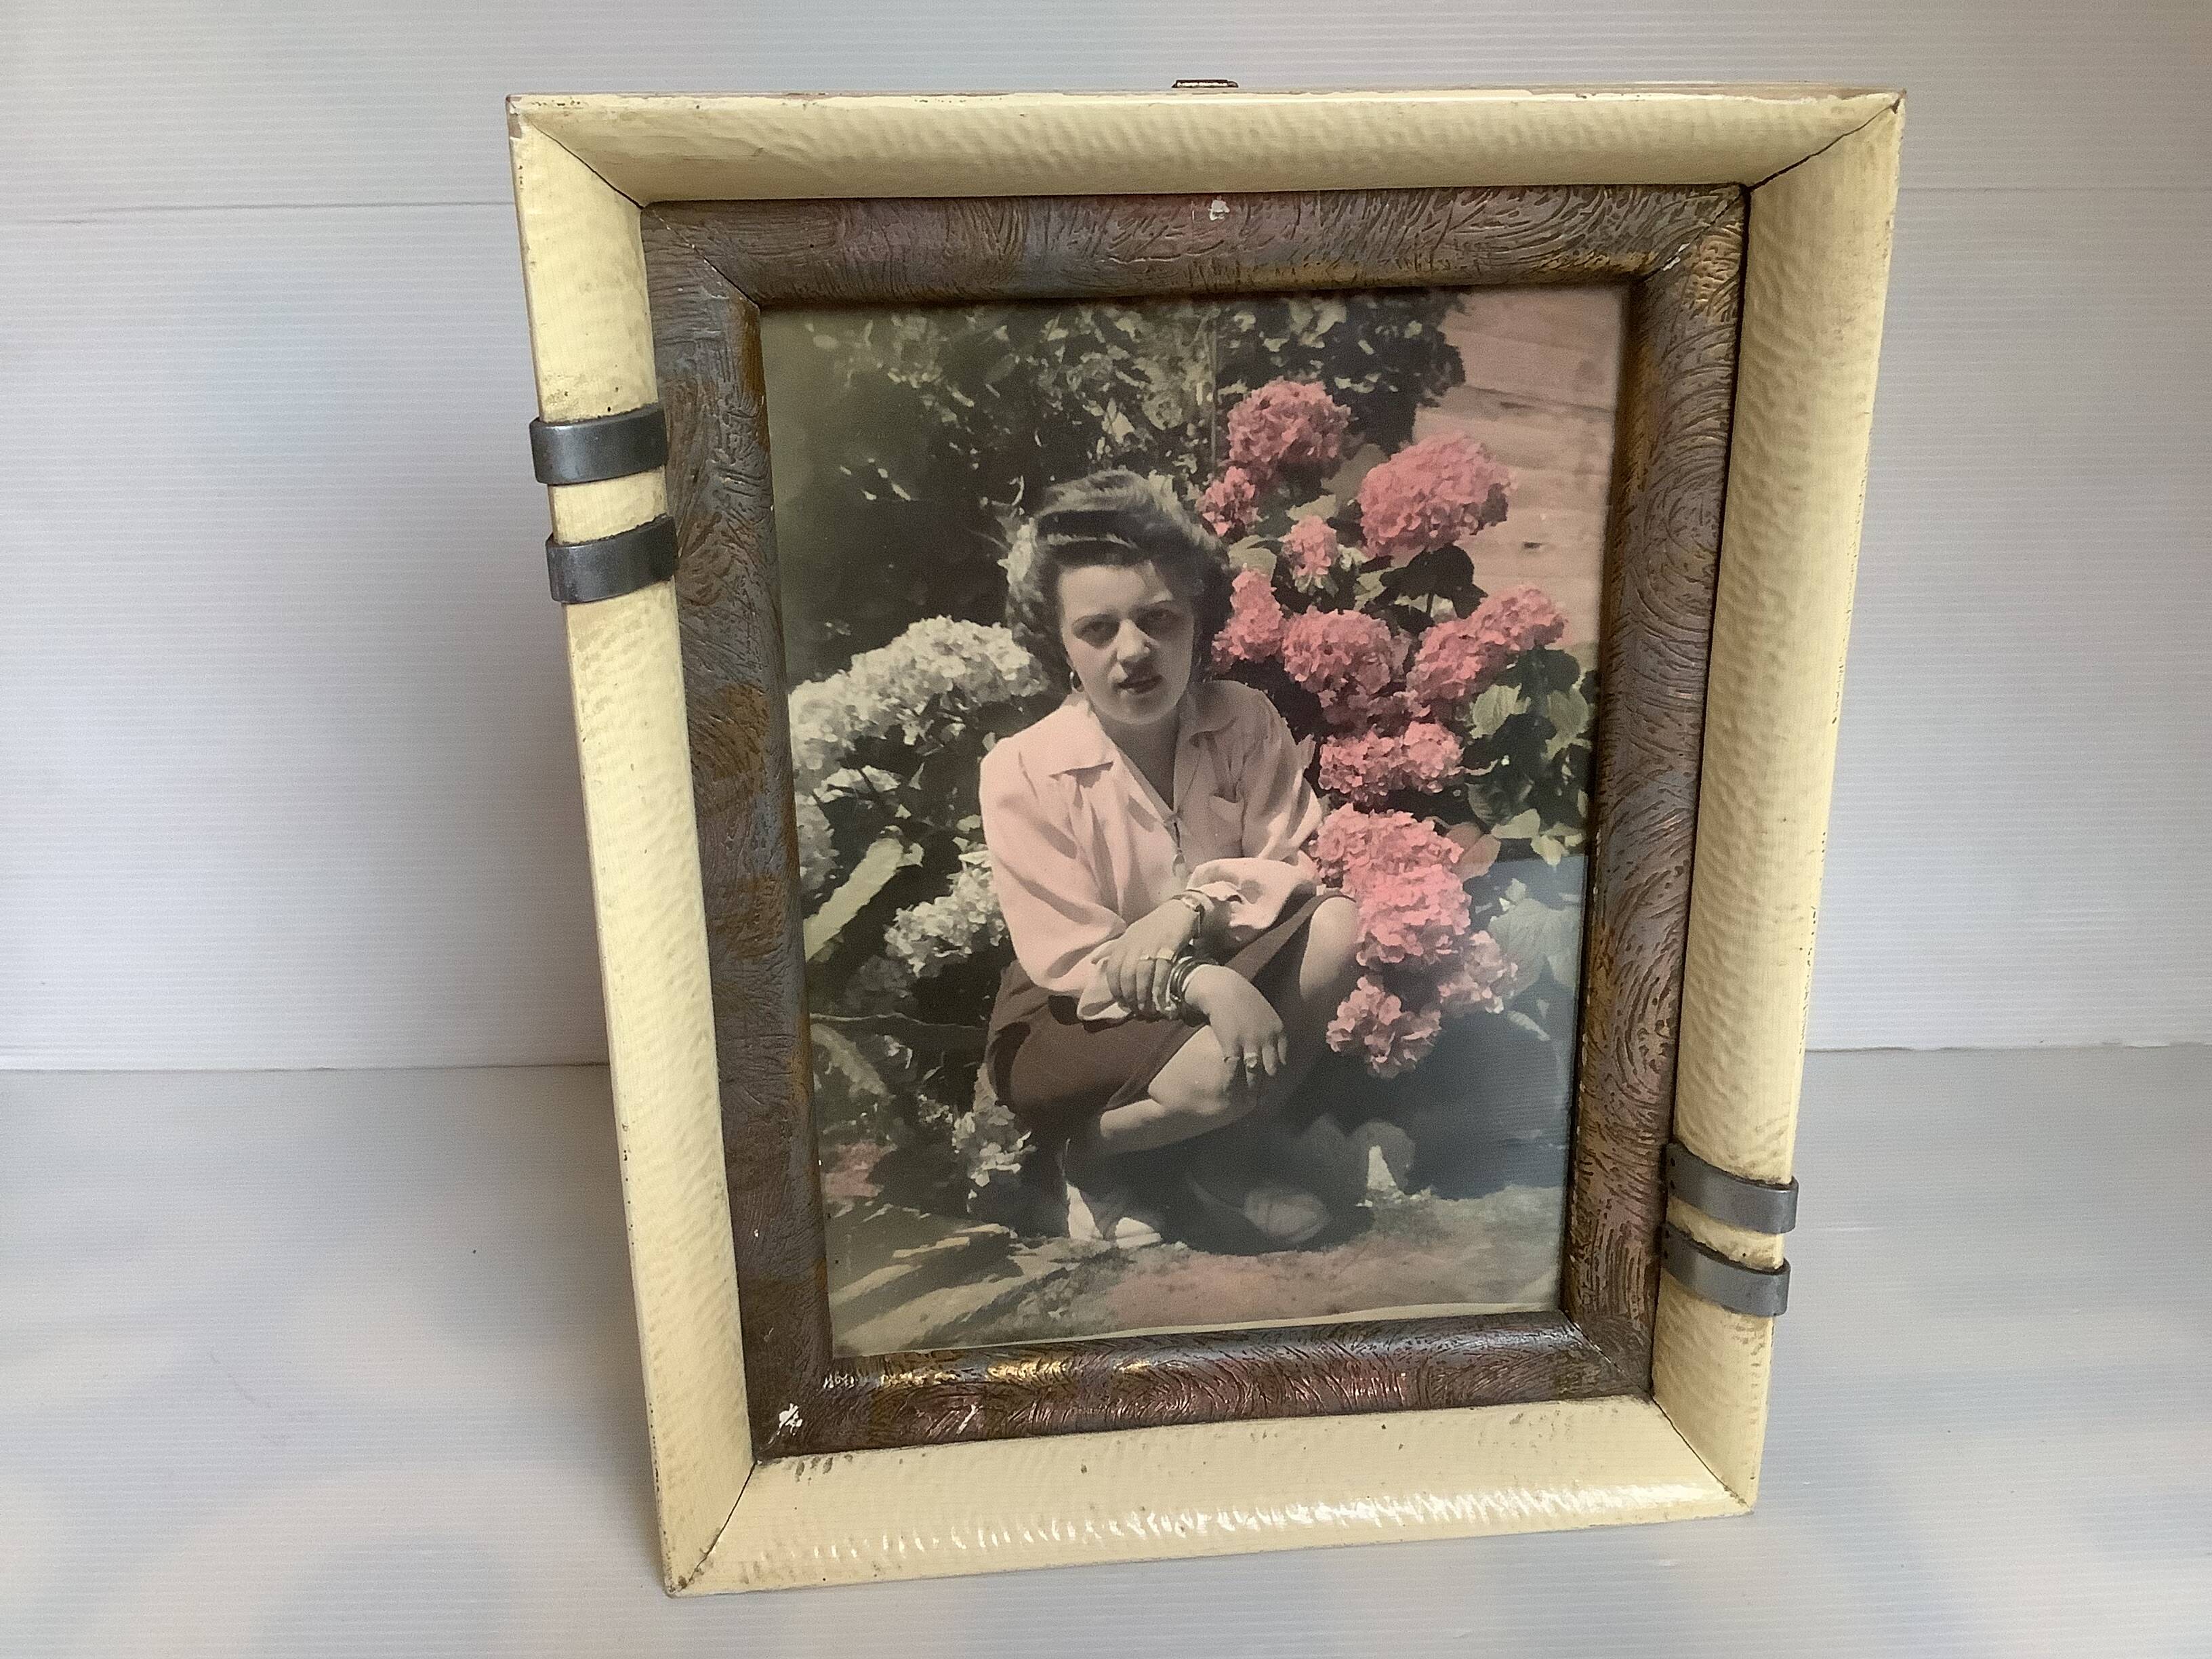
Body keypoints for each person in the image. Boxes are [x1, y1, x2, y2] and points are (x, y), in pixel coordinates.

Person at [979, 470, 1364, 1252]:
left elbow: (1291, 861)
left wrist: (1191, 909)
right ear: (1061, 644)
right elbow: (1071, 958)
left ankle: (1224, 1164)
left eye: (1158, 619)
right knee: (1222, 1076)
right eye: (1098, 629)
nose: (1134, 651)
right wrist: (1206, 982)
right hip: (1074, 1008)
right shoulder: (1021, 770)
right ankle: (1084, 1156)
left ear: (1197, 622)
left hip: (1222, 963)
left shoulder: (1245, 721)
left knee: (1336, 927)